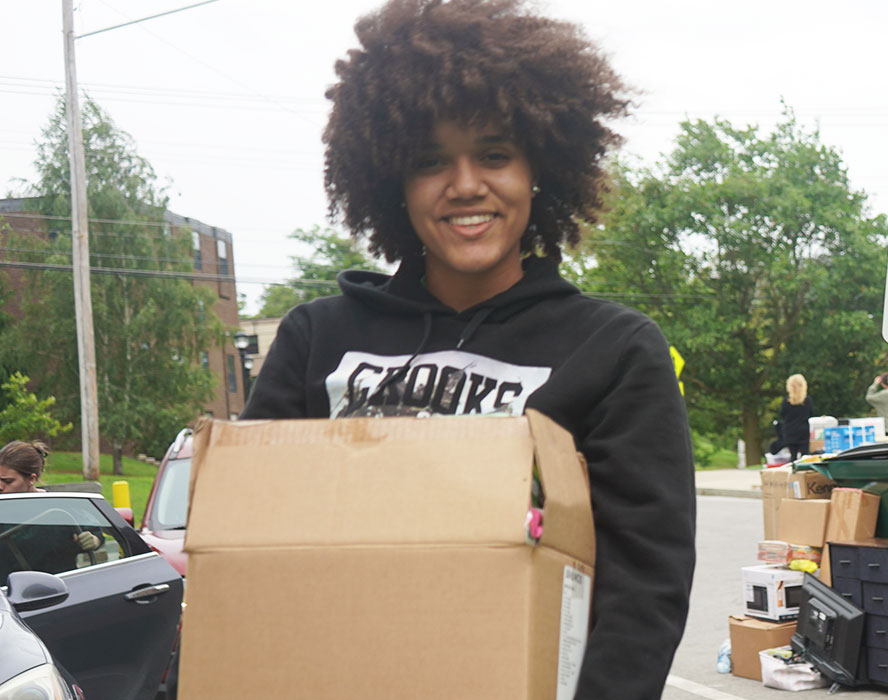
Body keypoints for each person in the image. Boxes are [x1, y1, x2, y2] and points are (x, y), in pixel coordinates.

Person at [239, 1, 694, 696]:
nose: (466, 185)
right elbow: (254, 546)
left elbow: (643, 591)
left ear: (538, 167)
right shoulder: (315, 339)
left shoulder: (613, 349)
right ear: (393, 180)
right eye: (430, 161)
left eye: (494, 154)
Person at [0, 441, 104, 574]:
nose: (0, 486)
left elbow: (96, 533)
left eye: (7, 481)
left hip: (58, 588)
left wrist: (93, 541)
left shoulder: (60, 507)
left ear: (32, 479)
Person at [775, 374, 813, 458]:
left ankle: (793, 470)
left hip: (790, 431)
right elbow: (810, 414)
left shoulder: (786, 401)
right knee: (805, 456)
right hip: (803, 431)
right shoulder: (807, 400)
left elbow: (782, 414)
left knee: (793, 456)